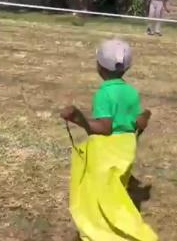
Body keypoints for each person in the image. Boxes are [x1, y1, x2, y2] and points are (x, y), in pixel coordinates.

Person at [60, 39, 158, 240]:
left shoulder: (104, 94)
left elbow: (104, 128)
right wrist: (145, 115)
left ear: (99, 66)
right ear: (128, 67)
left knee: (99, 194)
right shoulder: (131, 92)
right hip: (126, 147)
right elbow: (139, 122)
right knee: (116, 189)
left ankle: (105, 231)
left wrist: (79, 119)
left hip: (107, 150)